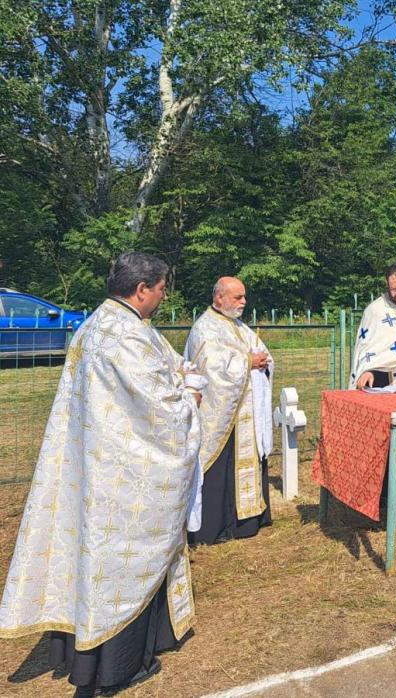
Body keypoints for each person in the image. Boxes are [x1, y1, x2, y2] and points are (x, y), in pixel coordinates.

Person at [0, 253, 202, 696]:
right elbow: (161, 409)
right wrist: (190, 398)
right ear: (142, 288)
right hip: (124, 477)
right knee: (120, 566)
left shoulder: (99, 324)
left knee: (92, 561)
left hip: (97, 466)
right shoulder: (124, 335)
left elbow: (154, 375)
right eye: (162, 288)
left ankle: (90, 655)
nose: (164, 296)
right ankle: (116, 668)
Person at [184, 277, 274, 546]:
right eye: (238, 297)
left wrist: (263, 361)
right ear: (219, 298)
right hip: (221, 413)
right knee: (219, 466)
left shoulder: (238, 326)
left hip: (246, 412)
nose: (243, 302)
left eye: (244, 297)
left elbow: (262, 352)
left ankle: (246, 521)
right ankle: (216, 526)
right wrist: (248, 361)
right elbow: (210, 366)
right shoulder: (204, 328)